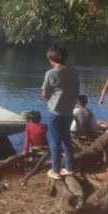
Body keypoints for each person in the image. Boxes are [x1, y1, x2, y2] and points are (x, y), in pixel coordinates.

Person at [42, 45, 80, 180]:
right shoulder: (74, 71)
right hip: (68, 112)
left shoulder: (51, 73)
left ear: (51, 58)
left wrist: (52, 95)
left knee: (55, 141)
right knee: (66, 140)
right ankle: (69, 168)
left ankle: (56, 170)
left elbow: (45, 94)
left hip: (55, 112)